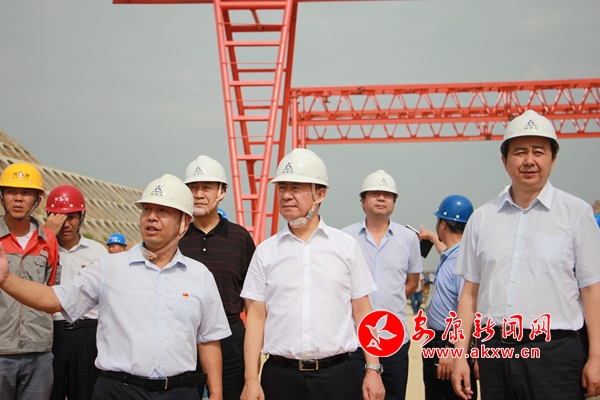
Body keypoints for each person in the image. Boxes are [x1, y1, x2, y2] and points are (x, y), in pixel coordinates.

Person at [0, 174, 231, 399]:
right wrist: (6, 279)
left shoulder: (199, 276)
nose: (152, 217)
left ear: (184, 223)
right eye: (147, 209)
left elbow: (208, 339)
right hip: (119, 390)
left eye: (163, 211)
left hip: (179, 392)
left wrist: (216, 393)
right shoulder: (108, 268)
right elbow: (54, 299)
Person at [451, 110, 600, 400]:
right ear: (504, 160)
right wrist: (460, 356)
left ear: (553, 159)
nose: (529, 160)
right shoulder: (482, 218)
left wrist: (596, 356)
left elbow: (592, 290)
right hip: (494, 352)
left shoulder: (576, 214)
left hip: (554, 355)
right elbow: (469, 294)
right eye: (520, 152)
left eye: (539, 151)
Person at [240, 148, 385, 400]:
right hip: (280, 378)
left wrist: (373, 369)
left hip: (336, 377)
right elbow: (256, 318)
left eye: (296, 187)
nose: (286, 195)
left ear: (320, 193)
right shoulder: (265, 252)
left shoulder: (346, 247)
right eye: (282, 187)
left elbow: (363, 312)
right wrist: (251, 379)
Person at [179, 155, 255, 400]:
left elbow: (253, 299)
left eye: (207, 187)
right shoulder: (175, 237)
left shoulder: (240, 238)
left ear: (222, 192)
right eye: (193, 187)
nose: (199, 194)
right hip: (183, 336)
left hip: (230, 338)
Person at [343, 169, 422, 400]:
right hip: (356, 339)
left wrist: (390, 303)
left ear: (394, 202)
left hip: (395, 339)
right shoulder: (346, 238)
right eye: (374, 194)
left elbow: (412, 283)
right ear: (362, 201)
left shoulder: (409, 239)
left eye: (387, 195)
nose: (381, 198)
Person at [43, 184, 108, 400]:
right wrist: (47, 238)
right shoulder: (41, 248)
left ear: (81, 217)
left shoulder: (97, 251)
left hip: (87, 332)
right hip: (52, 332)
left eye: (71, 217)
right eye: (59, 217)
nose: (65, 223)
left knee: (85, 392)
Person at [0, 162, 59, 400]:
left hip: (39, 352)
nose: (18, 198)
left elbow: (51, 288)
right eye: (11, 191)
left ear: (37, 200)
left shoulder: (49, 240)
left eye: (26, 192)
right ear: (2, 196)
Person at [420, 195, 477, 400]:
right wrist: (432, 237)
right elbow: (444, 249)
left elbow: (470, 307)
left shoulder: (462, 262)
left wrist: (453, 348)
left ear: (443, 224)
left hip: (448, 343)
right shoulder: (453, 255)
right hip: (437, 341)